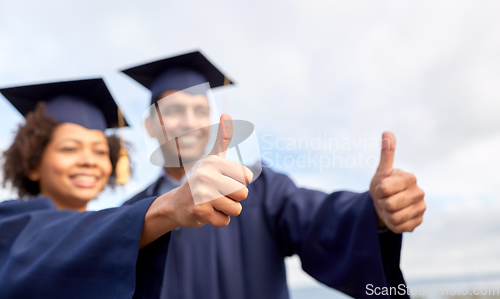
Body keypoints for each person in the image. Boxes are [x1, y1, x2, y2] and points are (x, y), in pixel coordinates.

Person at [121, 51, 426, 299]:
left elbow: (318, 217)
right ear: (150, 125)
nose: (189, 121)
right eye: (174, 110)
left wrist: (374, 211)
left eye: (200, 111)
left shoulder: (258, 186)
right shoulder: (131, 216)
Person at [0, 78, 251, 299]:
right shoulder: (9, 227)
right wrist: (170, 206)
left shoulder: (119, 230)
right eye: (69, 148)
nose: (89, 160)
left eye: (100, 151)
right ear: (33, 164)